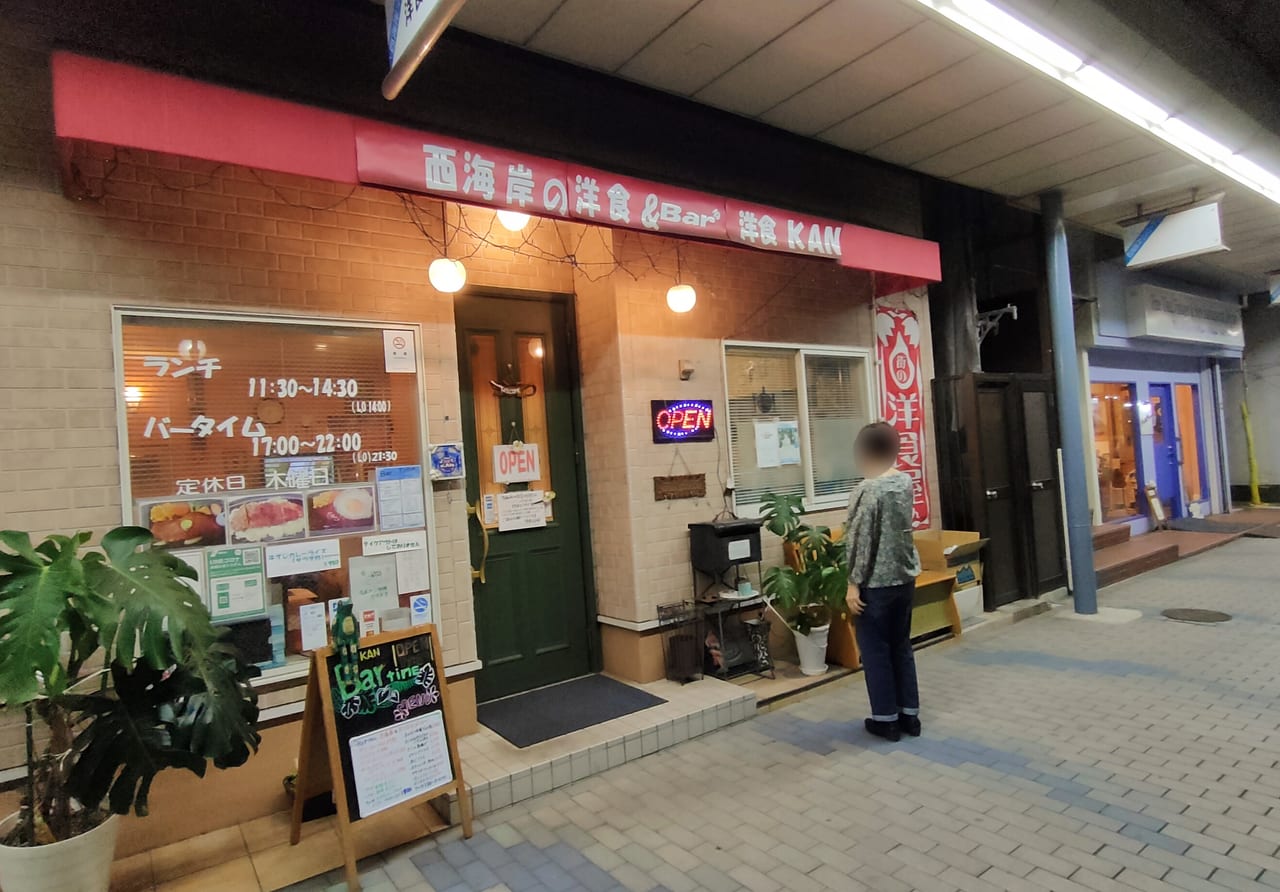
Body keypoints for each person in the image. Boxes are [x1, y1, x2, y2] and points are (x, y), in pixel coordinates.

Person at [844, 422, 922, 742]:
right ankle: (910, 716)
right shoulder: (904, 483)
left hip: (875, 585)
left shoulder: (867, 490)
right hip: (904, 579)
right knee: (901, 646)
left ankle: (885, 720)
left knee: (875, 651)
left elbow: (861, 540)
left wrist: (853, 583)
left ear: (865, 451)